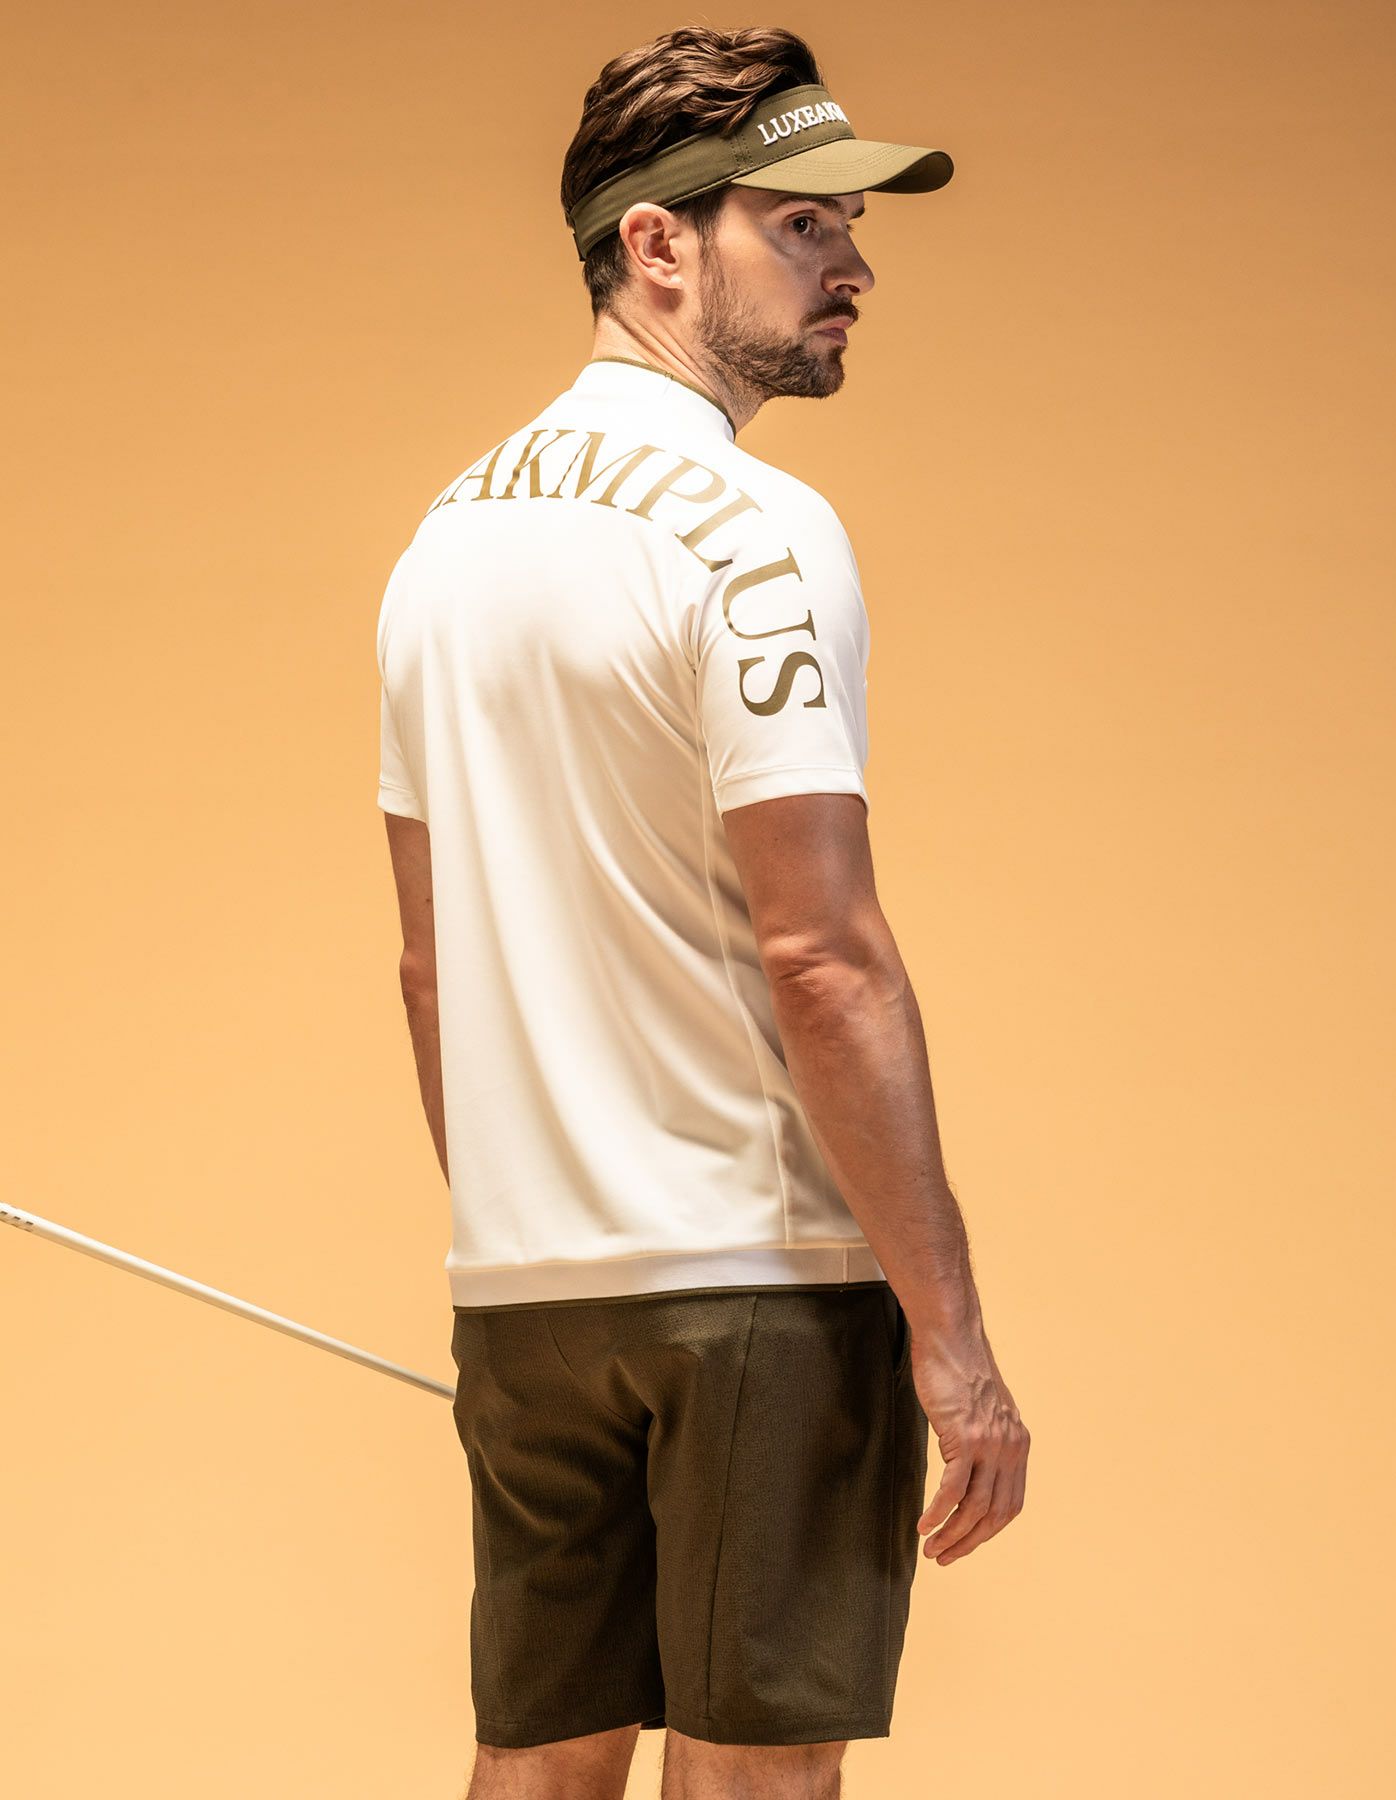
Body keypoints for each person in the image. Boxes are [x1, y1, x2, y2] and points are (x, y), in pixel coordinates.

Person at [375, 25, 1030, 1800]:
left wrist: (525, 1238)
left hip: (529, 1287)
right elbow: (823, 953)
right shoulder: (756, 531)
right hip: (761, 1275)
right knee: (759, 1775)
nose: (853, 266)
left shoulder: (441, 547)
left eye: (848, 227)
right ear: (657, 243)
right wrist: (953, 1341)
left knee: (539, 1760)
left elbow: (432, 967)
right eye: (804, 225)